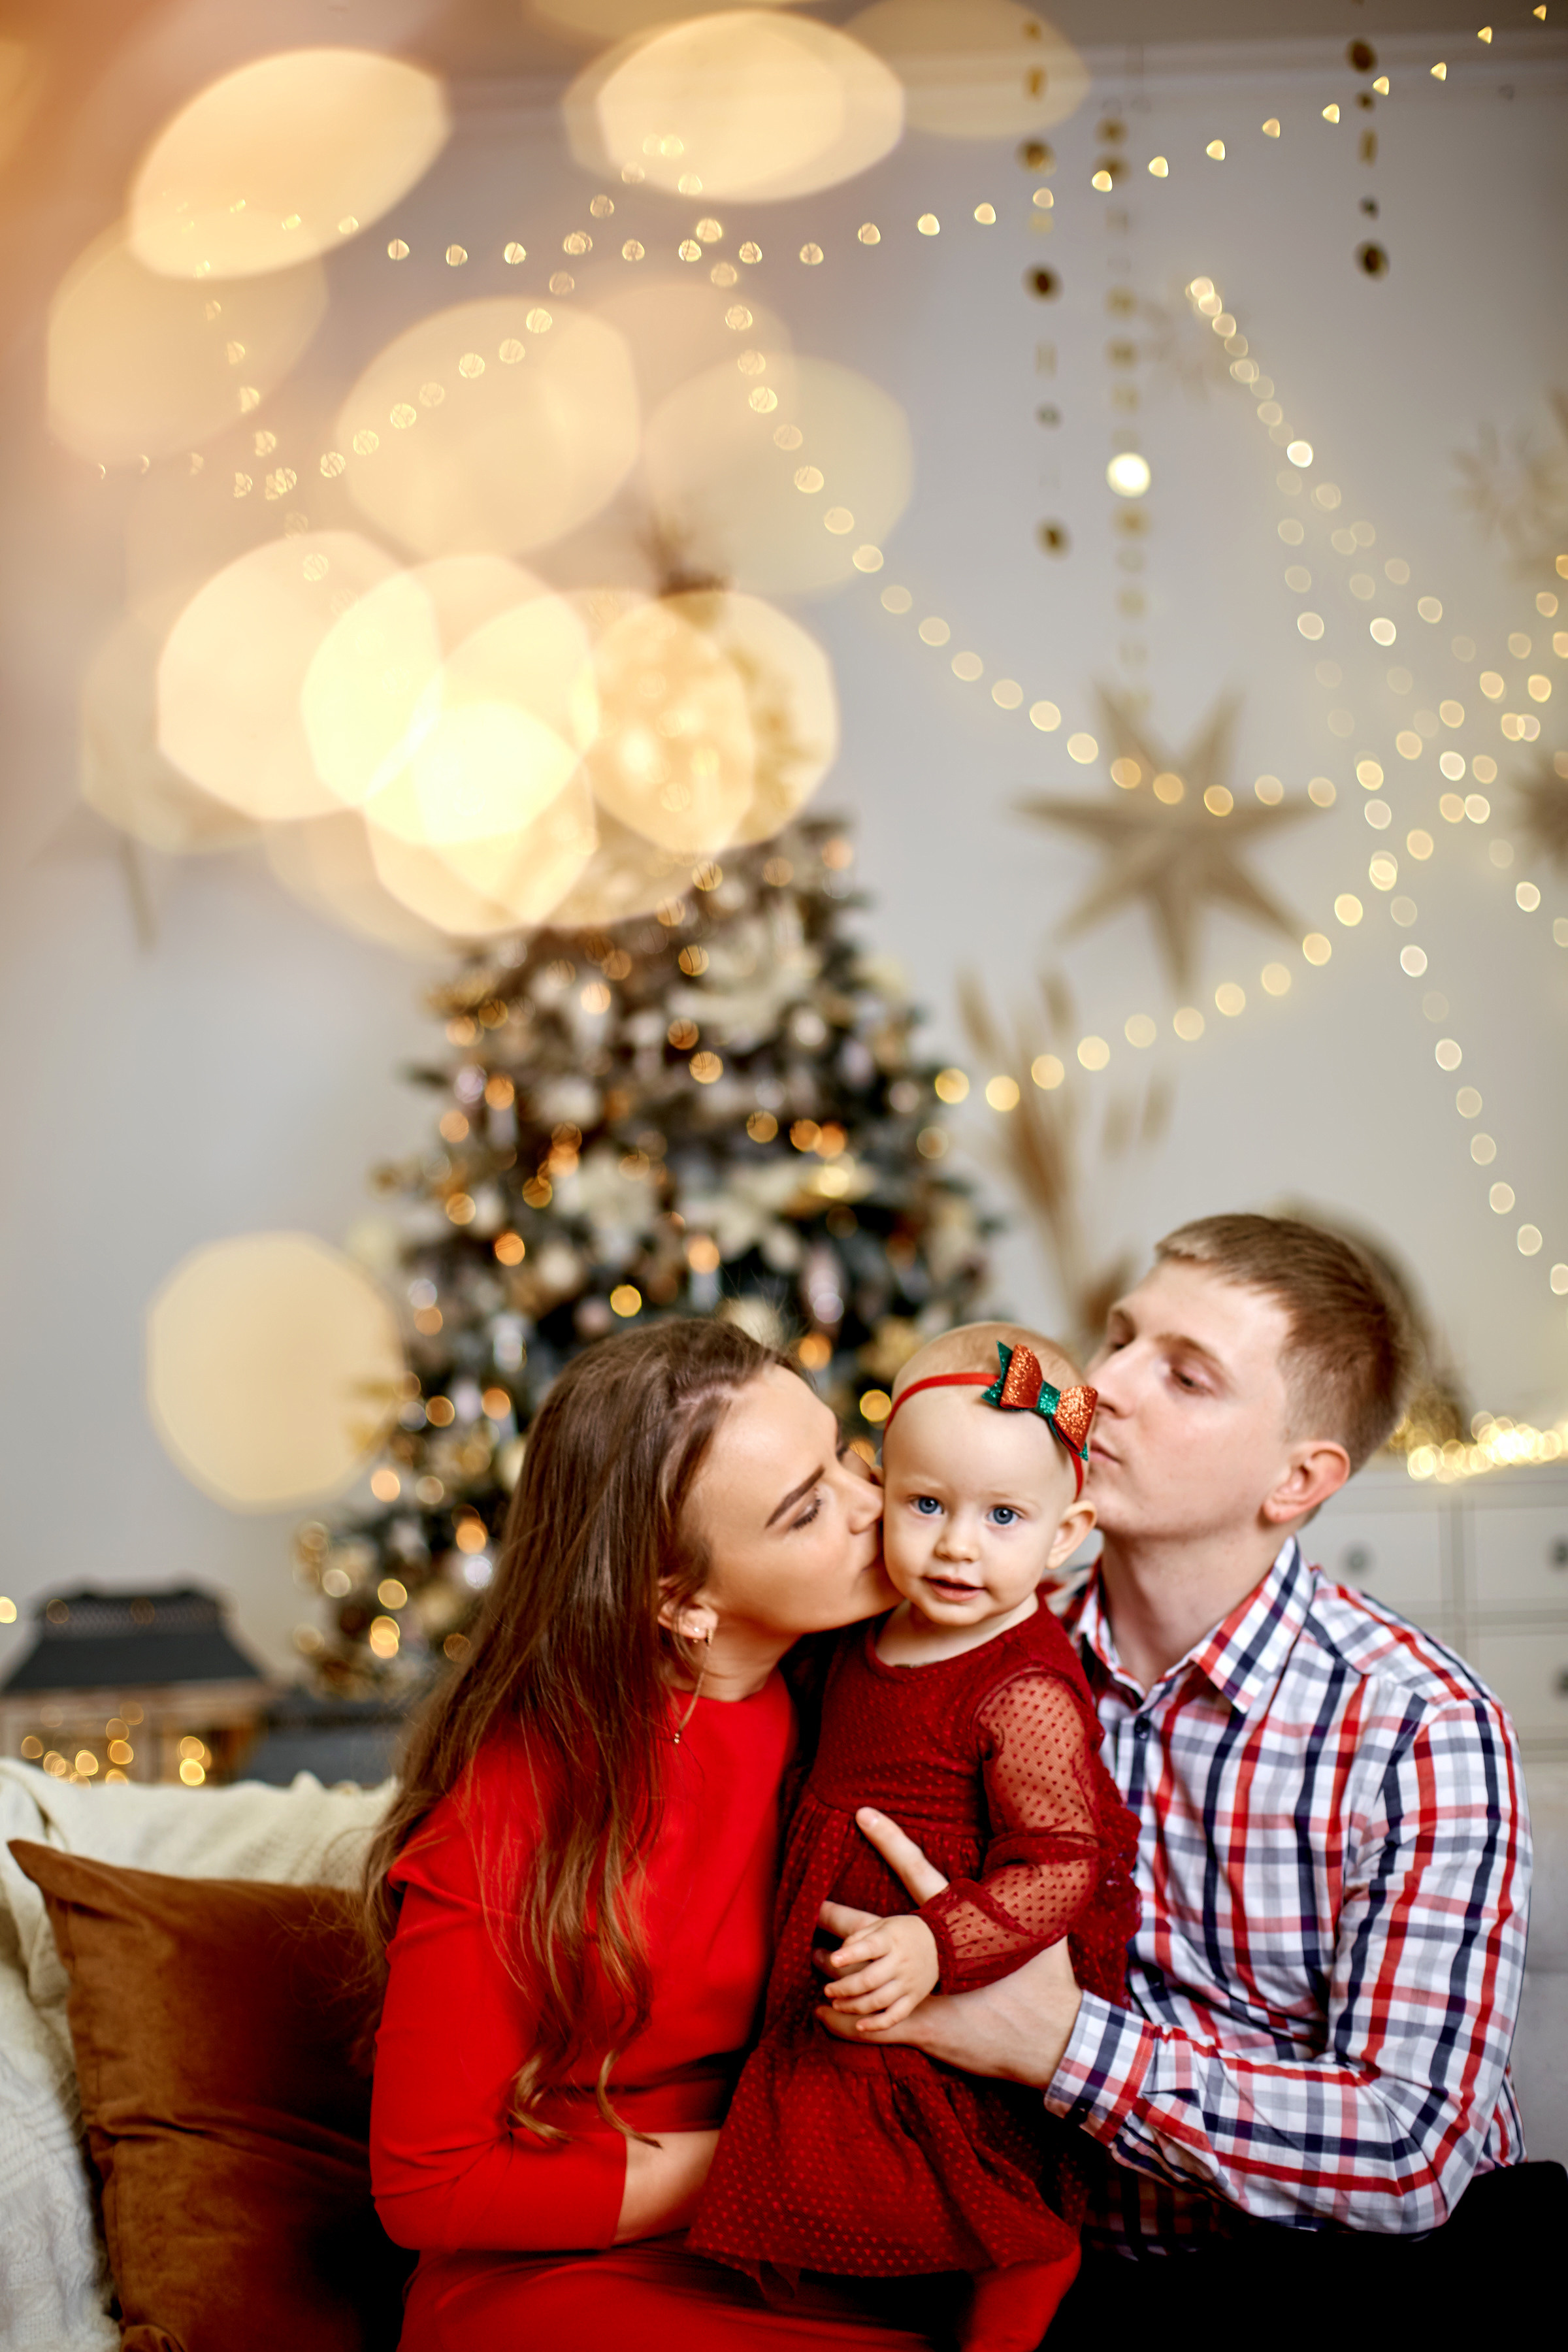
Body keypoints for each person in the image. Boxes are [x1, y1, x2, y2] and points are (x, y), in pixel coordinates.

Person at [817, 1215, 1541, 2328]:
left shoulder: (1416, 1726)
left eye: (1187, 1377)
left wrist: (1059, 2045)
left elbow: (1409, 2148)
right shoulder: (967, 1639)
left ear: (1299, 1479)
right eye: (1117, 1338)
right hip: (1062, 2257)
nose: (1101, 1386)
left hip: (1362, 2276)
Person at [366, 1317, 936, 2351]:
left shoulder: (873, 1679)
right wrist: (773, 2163)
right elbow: (429, 2184)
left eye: (850, 1456)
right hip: (577, 2277)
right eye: (809, 1510)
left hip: (828, 2247)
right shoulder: (521, 1797)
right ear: (681, 1602)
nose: (875, 1505)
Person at [691, 1326, 1141, 2351]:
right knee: (824, 2176)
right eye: (927, 1504)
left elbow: (1062, 1862)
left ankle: (1020, 2284)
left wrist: (939, 1944)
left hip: (945, 1964)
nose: (955, 1546)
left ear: (1066, 1532)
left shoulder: (1021, 1687)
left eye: (1004, 1517)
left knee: (967, 2184)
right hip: (840, 1955)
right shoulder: (860, 1628)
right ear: (879, 1491)